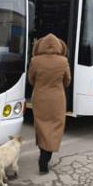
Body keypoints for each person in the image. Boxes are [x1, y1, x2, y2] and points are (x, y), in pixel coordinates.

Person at [28, 33, 71, 174]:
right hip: (57, 99)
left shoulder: (35, 60)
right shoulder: (63, 61)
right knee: (55, 128)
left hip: (40, 97)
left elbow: (31, 79)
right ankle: (45, 159)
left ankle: (43, 156)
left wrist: (40, 85)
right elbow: (67, 81)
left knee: (41, 126)